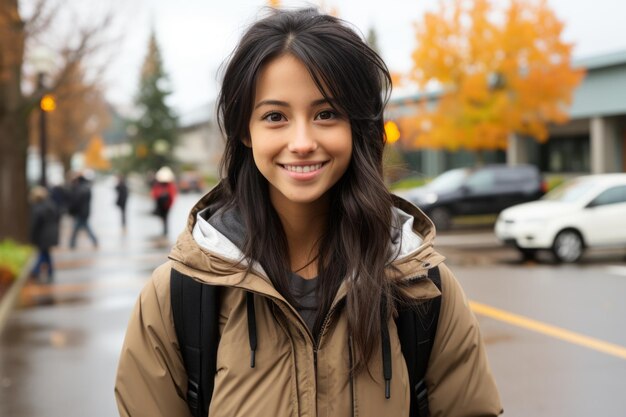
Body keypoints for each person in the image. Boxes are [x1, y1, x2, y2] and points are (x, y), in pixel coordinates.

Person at [115, 8, 502, 417]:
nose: (301, 142)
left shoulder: (422, 287)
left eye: (326, 114)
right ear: (246, 130)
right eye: (275, 117)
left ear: (357, 125)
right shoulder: (177, 295)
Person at [29, 186, 60, 284]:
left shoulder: (37, 208)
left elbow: (35, 224)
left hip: (43, 235)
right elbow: (58, 216)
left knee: (42, 253)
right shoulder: (51, 204)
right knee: (46, 253)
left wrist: (32, 237)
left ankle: (36, 270)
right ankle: (50, 271)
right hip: (51, 233)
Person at [68, 171, 99, 249]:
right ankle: (72, 243)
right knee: (84, 227)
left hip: (81, 212)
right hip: (85, 211)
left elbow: (76, 201)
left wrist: (72, 210)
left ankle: (72, 243)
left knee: (77, 228)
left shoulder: (80, 189)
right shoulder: (86, 188)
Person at [151, 166, 177, 236]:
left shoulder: (168, 185)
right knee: (164, 217)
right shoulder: (160, 185)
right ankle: (165, 230)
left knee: (165, 217)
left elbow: (172, 195)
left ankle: (165, 230)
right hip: (163, 204)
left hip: (166, 204)